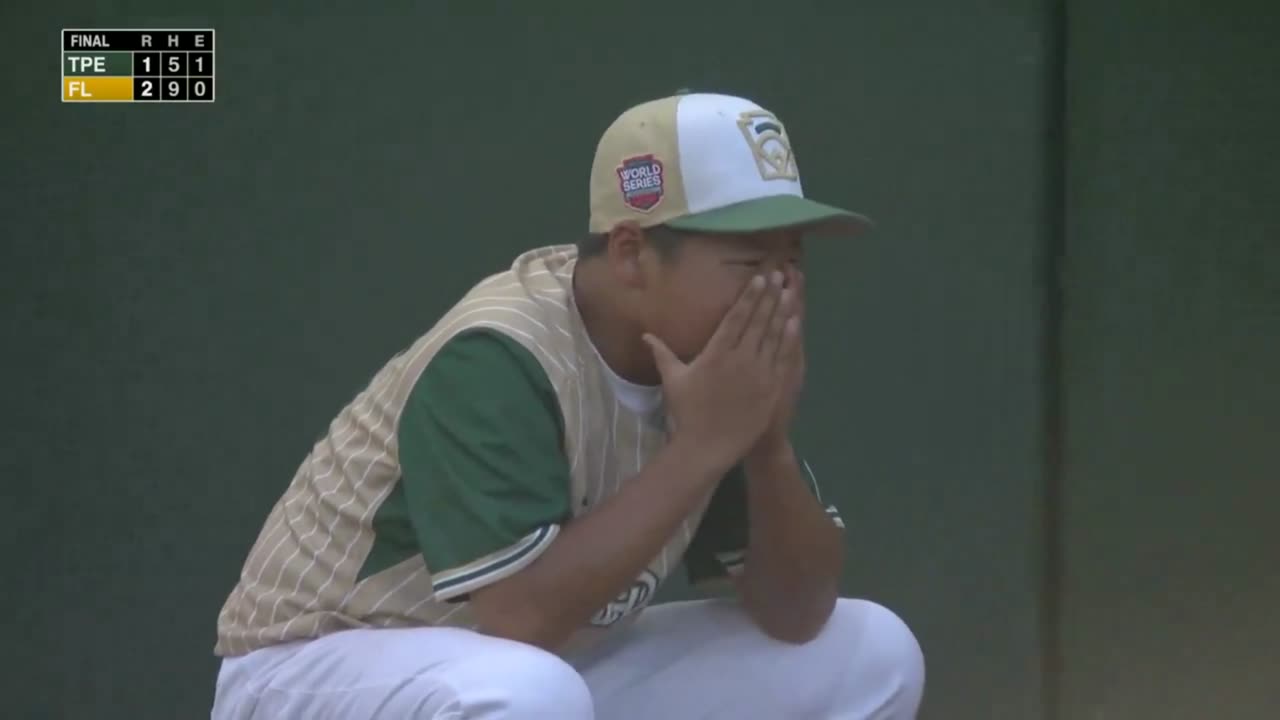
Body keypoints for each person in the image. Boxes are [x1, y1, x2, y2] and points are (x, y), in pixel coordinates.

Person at [210, 90, 925, 719]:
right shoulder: (498, 353)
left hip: (542, 670)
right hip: (317, 670)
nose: (777, 291)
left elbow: (797, 615)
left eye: (792, 262)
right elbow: (520, 618)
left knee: (871, 653)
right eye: (748, 261)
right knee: (525, 693)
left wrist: (764, 443)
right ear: (631, 255)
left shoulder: (715, 373)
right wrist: (705, 445)